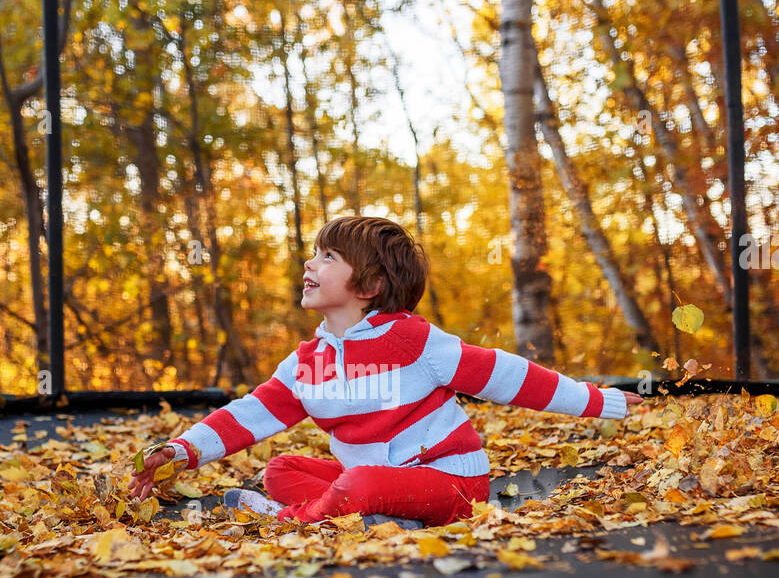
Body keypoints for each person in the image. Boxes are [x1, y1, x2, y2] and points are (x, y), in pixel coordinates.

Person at [127, 215, 642, 527]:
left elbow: (509, 376)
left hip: (450, 483)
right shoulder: (308, 362)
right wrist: (181, 451)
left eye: (327, 257)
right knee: (282, 470)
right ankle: (369, 517)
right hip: (369, 478)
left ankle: (293, 522)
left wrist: (598, 401)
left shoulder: (414, 341)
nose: (309, 265)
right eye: (313, 254)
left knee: (360, 484)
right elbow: (250, 414)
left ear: (370, 284)